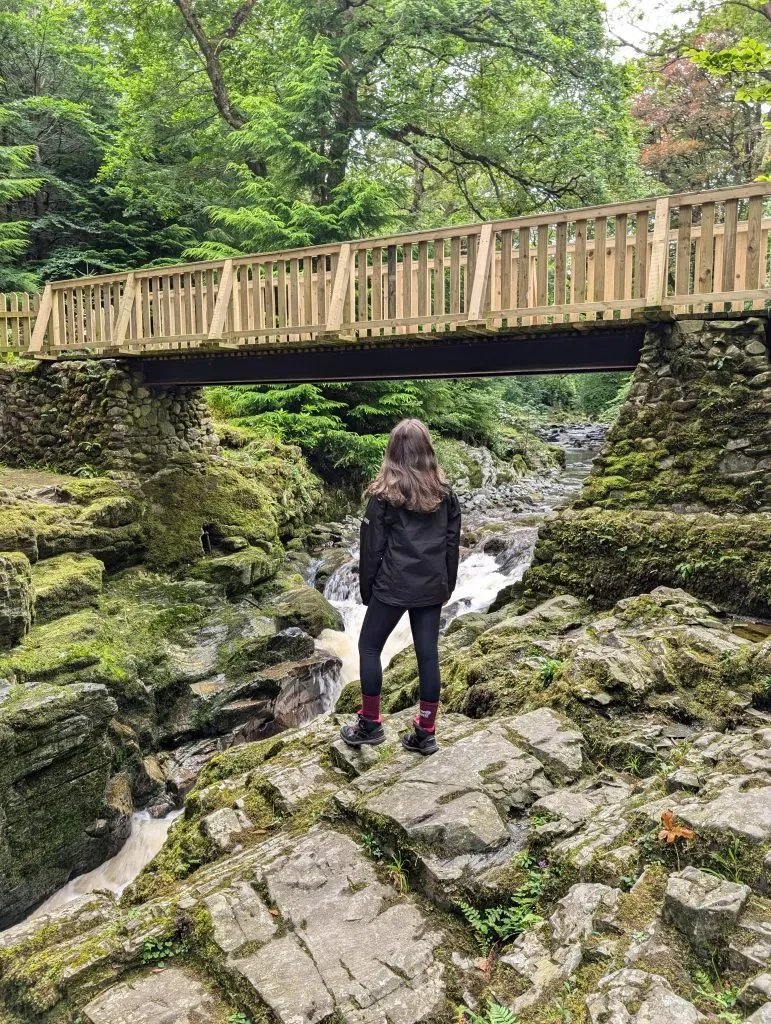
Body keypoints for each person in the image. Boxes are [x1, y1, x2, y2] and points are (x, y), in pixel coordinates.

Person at [340, 418, 461, 756]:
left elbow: (371, 548)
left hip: (392, 586)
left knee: (368, 648)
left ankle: (370, 724)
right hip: (431, 585)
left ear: (393, 452)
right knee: (428, 655)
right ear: (427, 451)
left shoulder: (383, 497)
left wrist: (368, 591)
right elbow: (452, 544)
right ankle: (425, 732)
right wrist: (447, 585)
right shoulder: (446, 495)